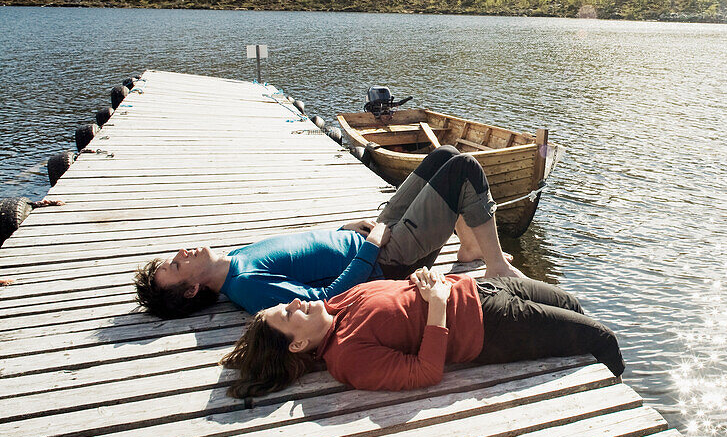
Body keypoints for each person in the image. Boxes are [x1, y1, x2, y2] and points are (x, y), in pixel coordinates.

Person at [134, 146, 523, 318]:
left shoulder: (235, 257)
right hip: (387, 259)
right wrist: (369, 249)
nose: (182, 253)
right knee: (464, 169)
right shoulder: (247, 288)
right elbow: (323, 300)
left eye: (175, 256)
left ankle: (470, 250)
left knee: (445, 155)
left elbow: (305, 250)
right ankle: (495, 267)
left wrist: (345, 229)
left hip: (366, 238)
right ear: (191, 290)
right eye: (177, 265)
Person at [221, 268, 624, 397]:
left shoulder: (334, 305)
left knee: (571, 304)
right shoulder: (347, 357)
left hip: (480, 286)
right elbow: (425, 372)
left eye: (285, 303)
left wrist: (422, 278)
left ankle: (600, 370)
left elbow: (397, 296)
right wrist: (437, 305)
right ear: (298, 344)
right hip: (492, 326)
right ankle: (620, 395)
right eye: (287, 314)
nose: (294, 302)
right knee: (602, 338)